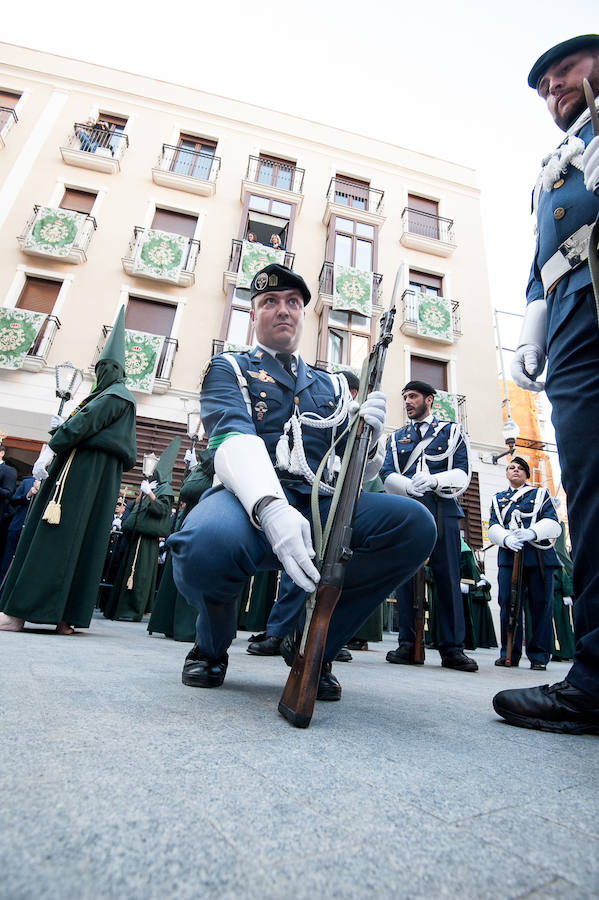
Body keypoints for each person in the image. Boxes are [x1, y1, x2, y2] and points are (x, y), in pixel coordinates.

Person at [168, 263, 436, 702]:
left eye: (293, 302)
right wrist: (271, 509)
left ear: (304, 314)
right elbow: (233, 437)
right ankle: (212, 646)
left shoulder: (330, 383)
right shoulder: (228, 368)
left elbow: (356, 470)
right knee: (203, 541)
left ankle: (315, 646)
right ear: (253, 315)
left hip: (318, 501)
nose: (283, 310)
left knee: (414, 525)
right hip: (246, 499)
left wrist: (370, 439)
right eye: (269, 302)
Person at [495, 34, 599, 732]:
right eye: (541, 84)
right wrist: (534, 323)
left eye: (563, 70)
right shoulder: (553, 166)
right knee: (591, 486)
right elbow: (542, 256)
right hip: (571, 312)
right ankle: (594, 675)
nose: (551, 86)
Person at [0, 307, 137, 634]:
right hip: (93, 478)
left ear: (113, 369)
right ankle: (64, 619)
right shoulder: (118, 398)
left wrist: (54, 441)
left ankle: (18, 614)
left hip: (77, 474)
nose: (100, 371)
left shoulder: (113, 395)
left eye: (104, 366)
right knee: (83, 541)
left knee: (54, 536)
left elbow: (82, 426)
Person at [381, 380, 477, 672]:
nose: (408, 402)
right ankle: (408, 643)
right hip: (410, 508)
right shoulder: (398, 438)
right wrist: (406, 485)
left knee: (447, 576)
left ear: (430, 399)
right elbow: (386, 472)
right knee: (407, 577)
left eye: (413, 396)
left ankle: (452, 648)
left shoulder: (452, 432)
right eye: (405, 397)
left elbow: (463, 471)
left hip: (442, 506)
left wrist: (436, 480)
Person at [488, 457, 561, 670]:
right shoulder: (498, 498)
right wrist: (505, 538)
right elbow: (493, 526)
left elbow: (553, 523)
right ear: (507, 473)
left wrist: (532, 532)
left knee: (540, 606)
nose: (516, 471)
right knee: (508, 606)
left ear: (527, 474)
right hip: (510, 557)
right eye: (511, 468)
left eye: (520, 469)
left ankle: (539, 656)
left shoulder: (540, 494)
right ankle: (509, 653)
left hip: (538, 557)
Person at [105, 437, 179, 622]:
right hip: (134, 537)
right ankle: (118, 608)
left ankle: (131, 610)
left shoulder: (165, 490)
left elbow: (162, 510)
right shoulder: (152, 486)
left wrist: (150, 494)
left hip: (146, 540)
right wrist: (142, 494)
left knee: (139, 576)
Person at [148, 449, 215, 642]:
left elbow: (197, 486)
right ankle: (169, 622)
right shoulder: (205, 464)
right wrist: (194, 468)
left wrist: (201, 461)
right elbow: (186, 489)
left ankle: (188, 627)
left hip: (205, 520)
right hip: (190, 520)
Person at [0, 474, 39, 584]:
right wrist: (28, 495)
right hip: (17, 527)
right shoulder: (28, 482)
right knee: (6, 563)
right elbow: (13, 500)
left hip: (34, 532)